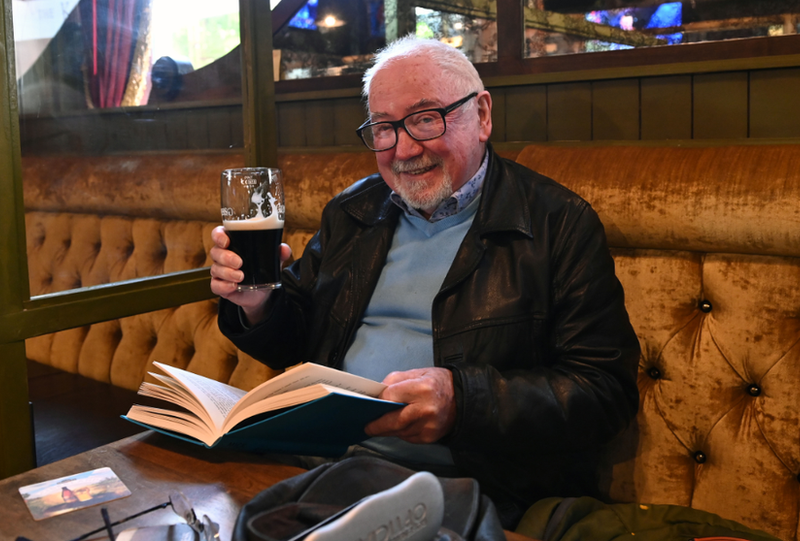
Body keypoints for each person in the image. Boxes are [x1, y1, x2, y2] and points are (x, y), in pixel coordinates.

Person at [209, 36, 640, 527]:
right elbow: (304, 342)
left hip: (480, 494)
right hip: (326, 471)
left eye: (425, 118)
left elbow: (606, 392)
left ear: (481, 115)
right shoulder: (353, 212)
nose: (404, 149)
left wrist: (464, 402)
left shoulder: (558, 223)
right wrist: (260, 304)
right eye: (384, 128)